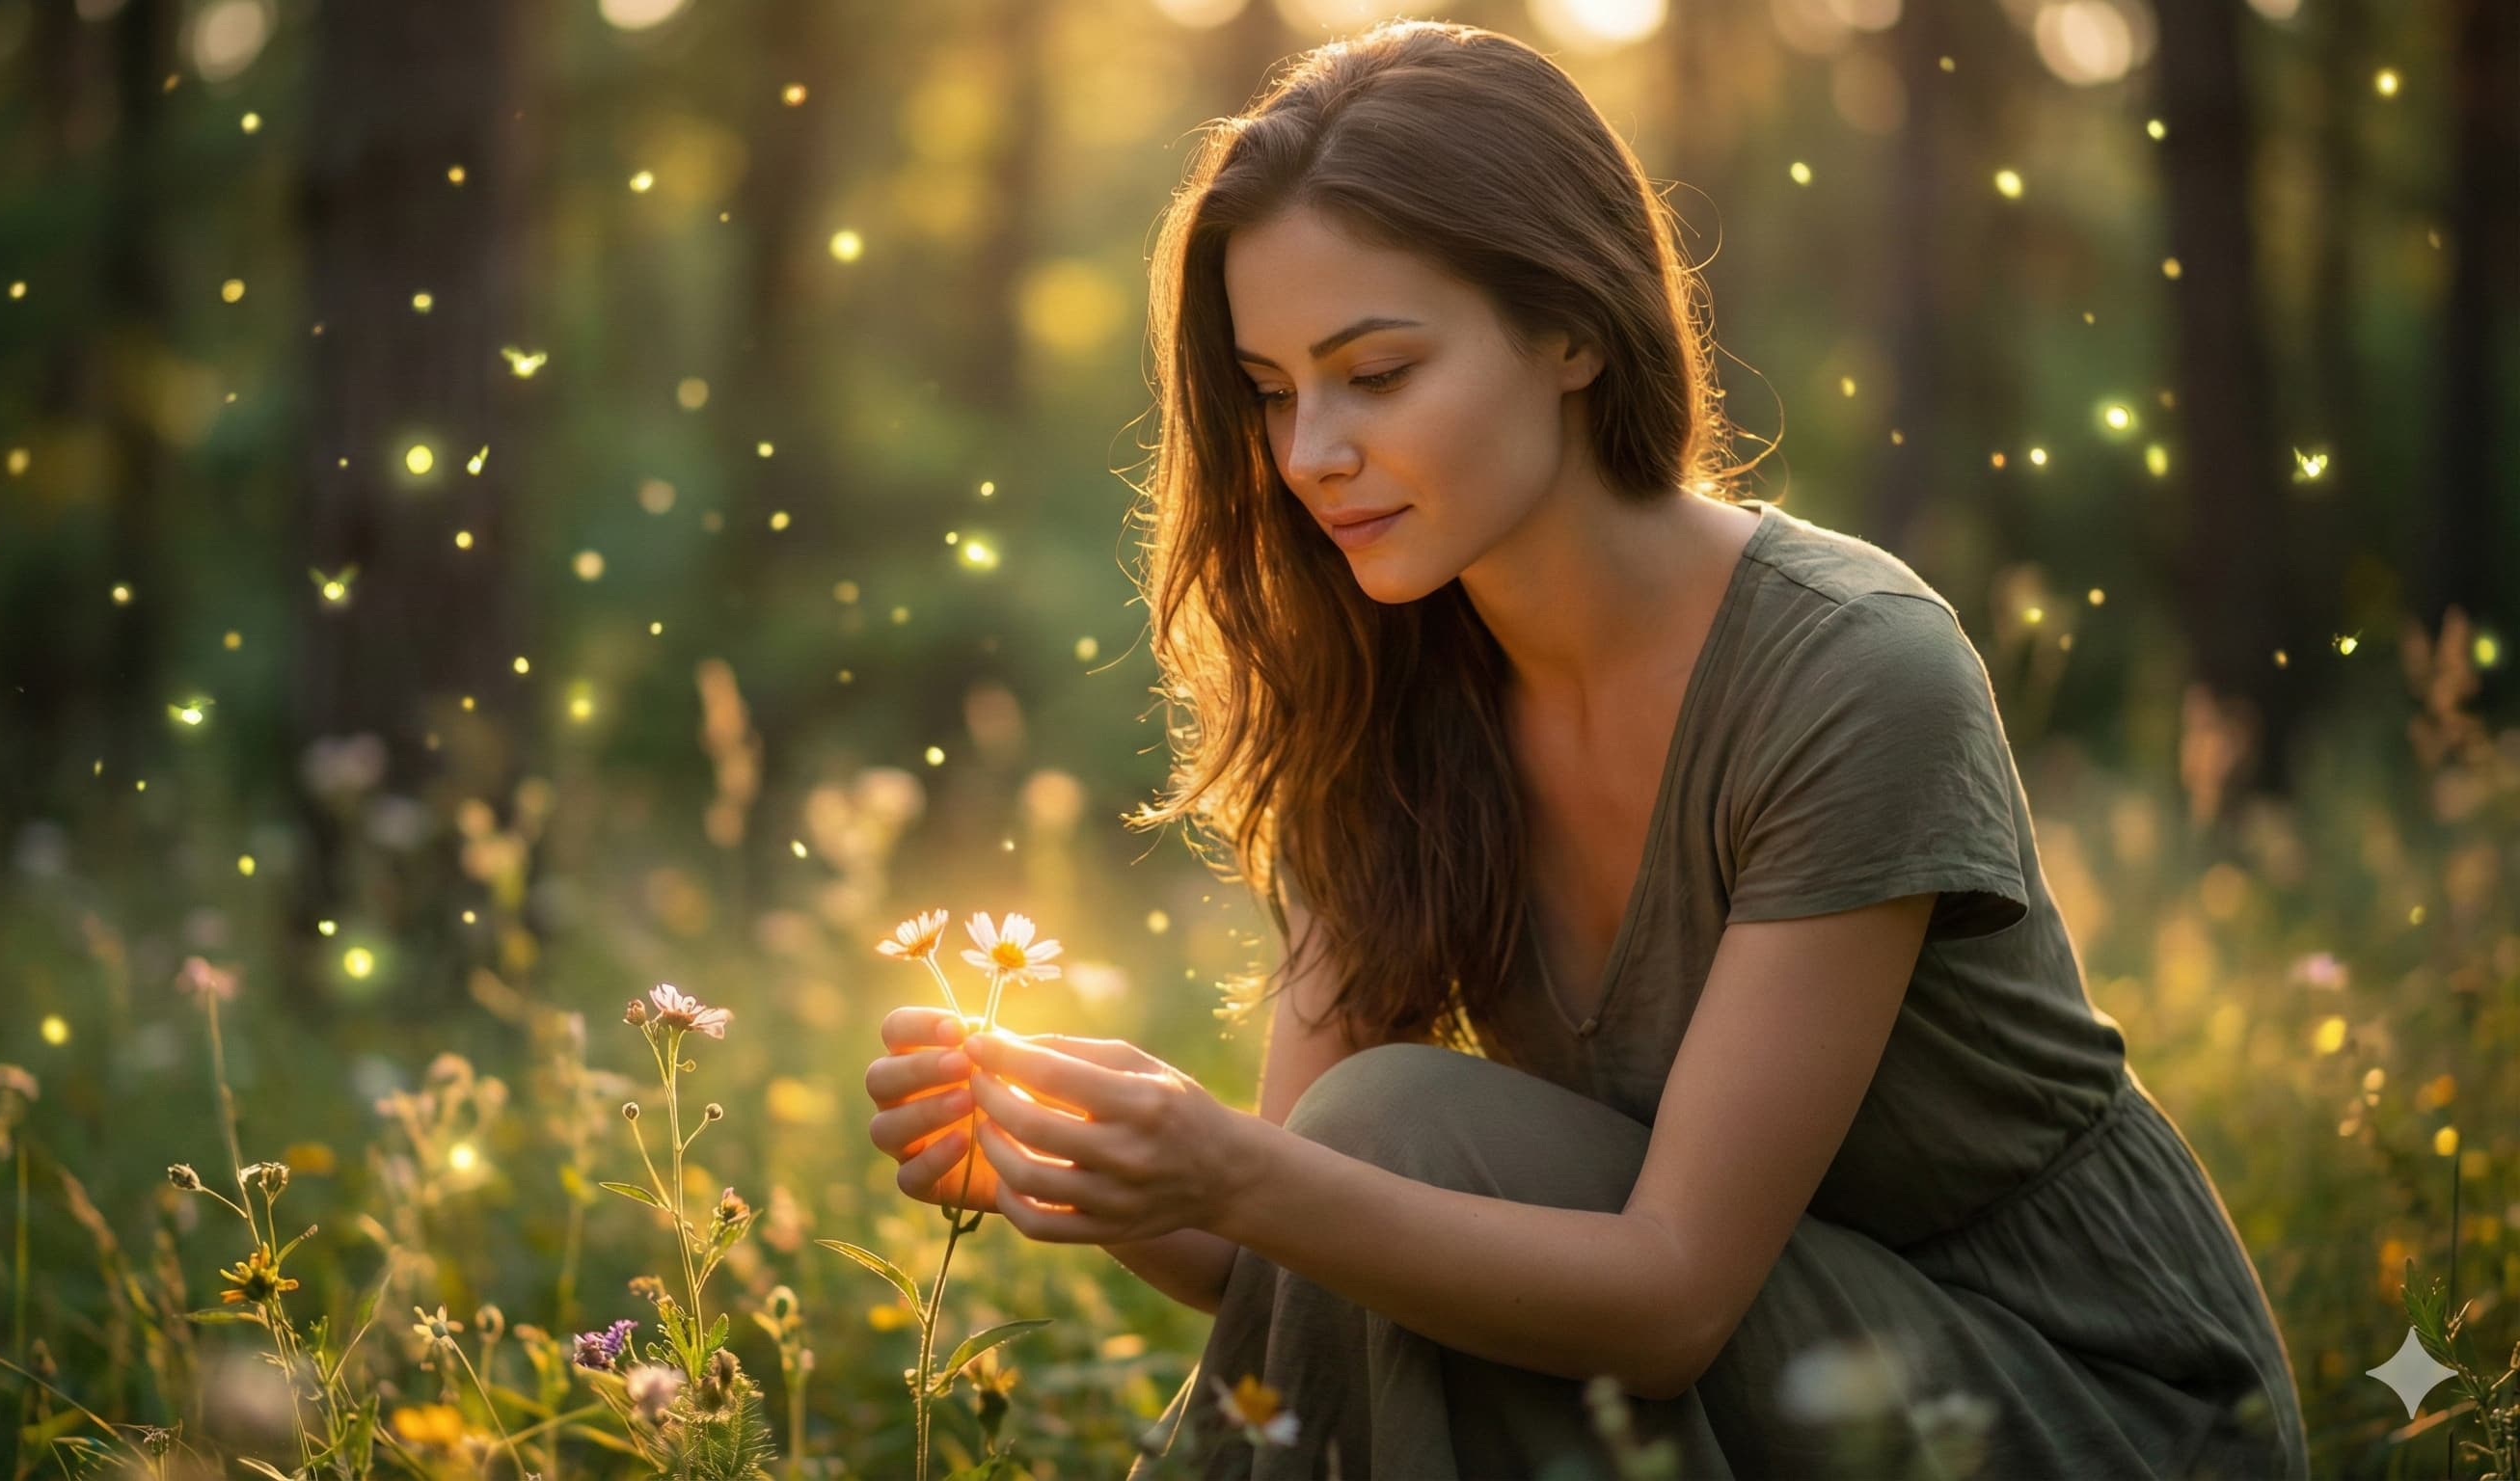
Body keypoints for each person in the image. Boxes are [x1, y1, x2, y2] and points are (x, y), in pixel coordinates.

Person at [863, 18, 2306, 1479]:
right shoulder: (1386, 691)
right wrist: (1099, 1169)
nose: (1307, 455)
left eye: (1375, 373)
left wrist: (1238, 1170)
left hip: (2081, 1396)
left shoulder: (1857, 672)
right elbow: (1298, 1257)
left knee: (1398, 1119)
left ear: (1572, 328)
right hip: (1766, 1373)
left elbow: (1670, 1299)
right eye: (1271, 390)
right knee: (1389, 1137)